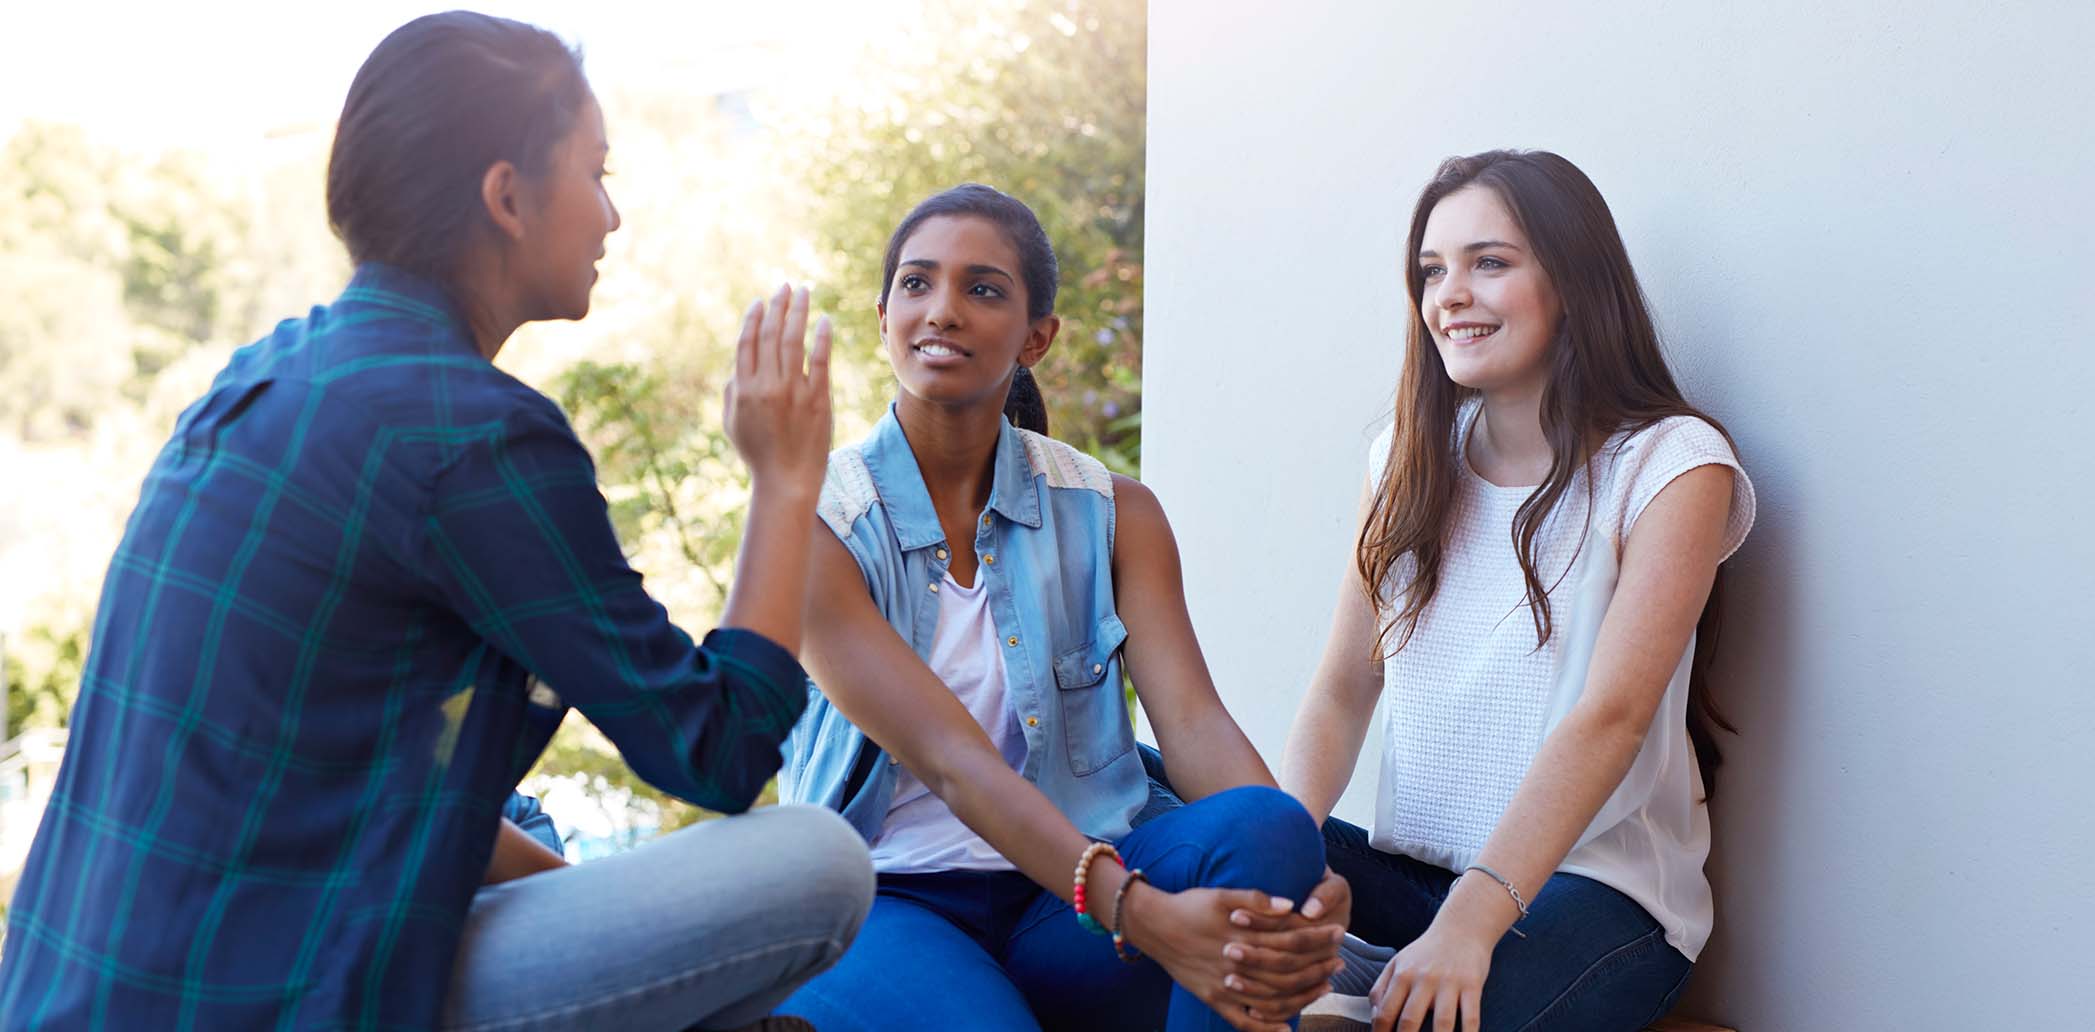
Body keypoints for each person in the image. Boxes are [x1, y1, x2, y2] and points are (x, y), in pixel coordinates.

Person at [0, 13, 870, 1031]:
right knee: (818, 862)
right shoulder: (473, 439)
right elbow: (718, 750)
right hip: (262, 999)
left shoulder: (265, 375)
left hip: (72, 989)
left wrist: (580, 900)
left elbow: (376, 773)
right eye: (594, 174)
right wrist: (783, 480)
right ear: (506, 196)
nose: (610, 219)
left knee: (516, 821)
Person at [773, 184, 1346, 1032]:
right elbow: (948, 760)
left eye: (984, 289)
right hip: (883, 903)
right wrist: (1144, 917)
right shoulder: (818, 521)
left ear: (1036, 336)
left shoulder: (1114, 512)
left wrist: (1306, 874)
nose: (943, 311)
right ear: (884, 314)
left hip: (1062, 909)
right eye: (917, 283)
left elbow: (1192, 725)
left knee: (1267, 826)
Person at [1280, 150, 1757, 1032]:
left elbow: (1607, 717)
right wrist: (1271, 861)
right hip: (1414, 874)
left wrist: (1469, 925)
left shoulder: (1671, 465)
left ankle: (1360, 986)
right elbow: (1345, 686)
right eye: (1432, 270)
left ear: (1572, 280)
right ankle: (1358, 970)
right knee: (1163, 803)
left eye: (1489, 262)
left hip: (1595, 899)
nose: (1449, 294)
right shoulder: (1402, 457)